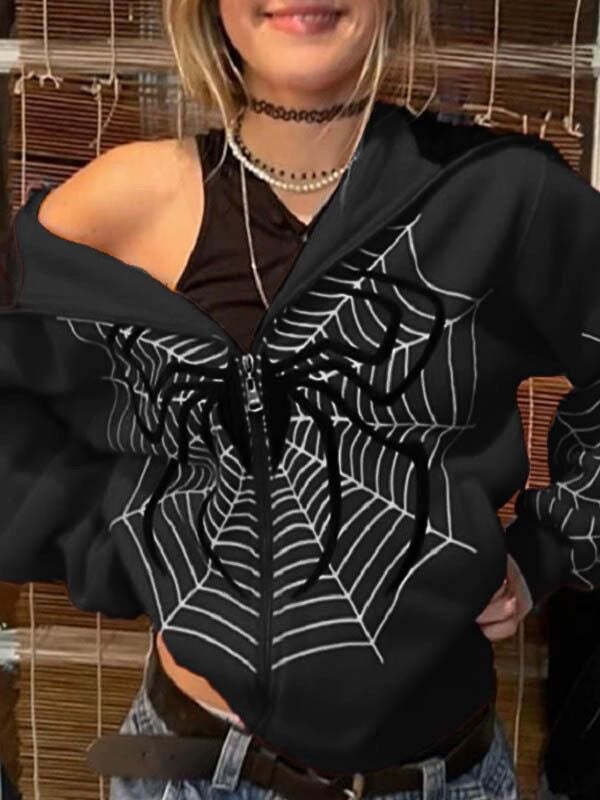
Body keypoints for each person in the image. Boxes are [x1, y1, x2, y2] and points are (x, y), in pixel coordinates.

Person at [2, 0, 599, 798]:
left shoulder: (502, 194)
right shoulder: (125, 200)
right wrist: (130, 543)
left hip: (444, 777)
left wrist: (547, 550)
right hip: (191, 771)